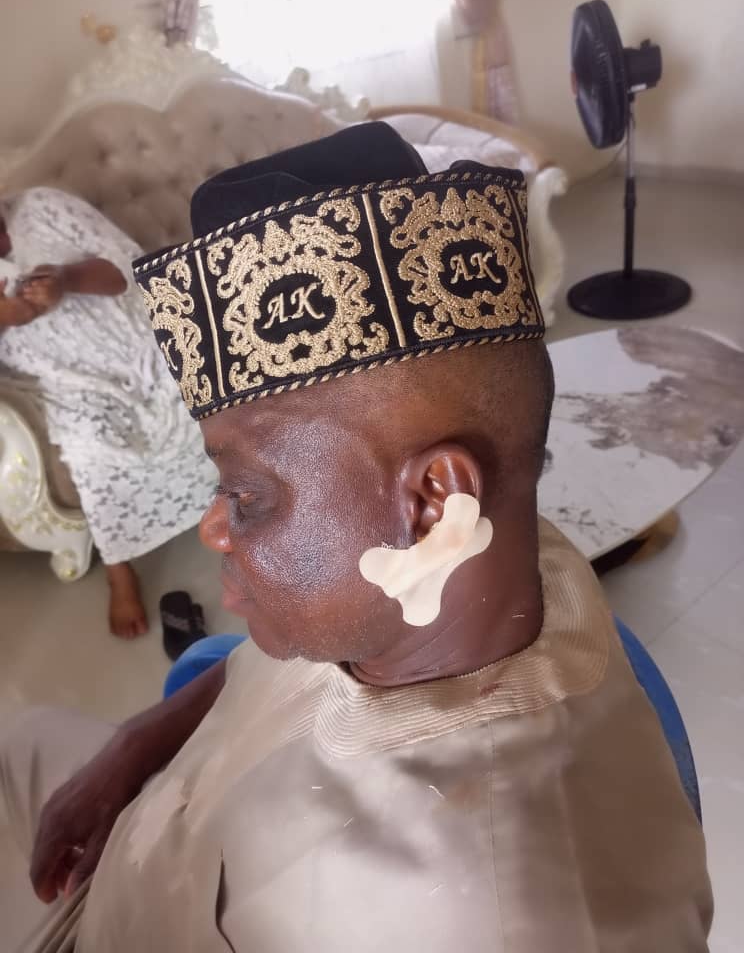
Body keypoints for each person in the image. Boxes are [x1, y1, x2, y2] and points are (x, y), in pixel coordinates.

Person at [0, 125, 712, 951]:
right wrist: (138, 742)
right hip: (148, 834)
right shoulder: (451, 579)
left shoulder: (498, 917)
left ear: (434, 503)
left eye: (246, 495)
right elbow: (277, 675)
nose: (213, 527)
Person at [0, 188, 216, 637]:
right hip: (72, 381)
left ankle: (244, 501)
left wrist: (65, 279)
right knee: (89, 447)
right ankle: (119, 570)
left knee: (202, 386)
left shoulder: (39, 205)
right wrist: (7, 318)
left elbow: (123, 270)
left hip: (138, 340)